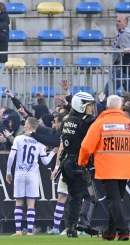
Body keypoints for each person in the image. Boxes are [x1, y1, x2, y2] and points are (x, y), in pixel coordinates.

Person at [79, 95, 130, 241]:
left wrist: (82, 162)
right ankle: (109, 233)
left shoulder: (100, 123)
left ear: (106, 107)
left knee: (113, 200)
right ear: (120, 108)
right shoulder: (128, 124)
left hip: (107, 167)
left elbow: (86, 146)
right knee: (116, 200)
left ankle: (123, 231)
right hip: (125, 168)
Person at [6, 117, 58, 236]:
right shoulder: (39, 142)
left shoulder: (18, 139)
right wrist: (54, 152)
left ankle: (18, 230)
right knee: (31, 203)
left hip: (20, 172)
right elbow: (45, 162)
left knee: (19, 201)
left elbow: (11, 157)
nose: (24, 125)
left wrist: (8, 171)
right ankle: (30, 231)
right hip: (32, 174)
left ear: (29, 126)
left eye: (25, 124)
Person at [57, 92, 97, 237]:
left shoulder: (66, 119)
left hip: (66, 162)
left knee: (74, 197)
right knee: (90, 196)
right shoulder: (86, 122)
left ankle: (71, 228)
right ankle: (83, 224)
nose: (92, 108)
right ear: (81, 106)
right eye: (89, 105)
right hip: (79, 163)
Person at [104, 15, 130, 96]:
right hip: (125, 68)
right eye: (116, 21)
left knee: (109, 87)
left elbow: (125, 50)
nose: (116, 23)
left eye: (119, 21)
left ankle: (104, 104)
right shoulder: (122, 34)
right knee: (127, 92)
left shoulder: (124, 35)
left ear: (125, 23)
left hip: (122, 67)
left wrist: (110, 50)